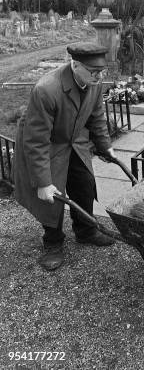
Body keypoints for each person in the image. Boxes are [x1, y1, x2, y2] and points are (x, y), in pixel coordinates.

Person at [13, 42, 117, 271]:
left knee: (85, 184)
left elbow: (97, 116)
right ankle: (52, 242)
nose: (99, 77)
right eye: (94, 72)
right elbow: (36, 141)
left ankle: (85, 231)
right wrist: (43, 183)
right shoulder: (46, 89)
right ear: (75, 65)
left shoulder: (94, 83)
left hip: (73, 139)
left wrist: (105, 146)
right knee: (53, 195)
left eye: (102, 71)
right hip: (47, 144)